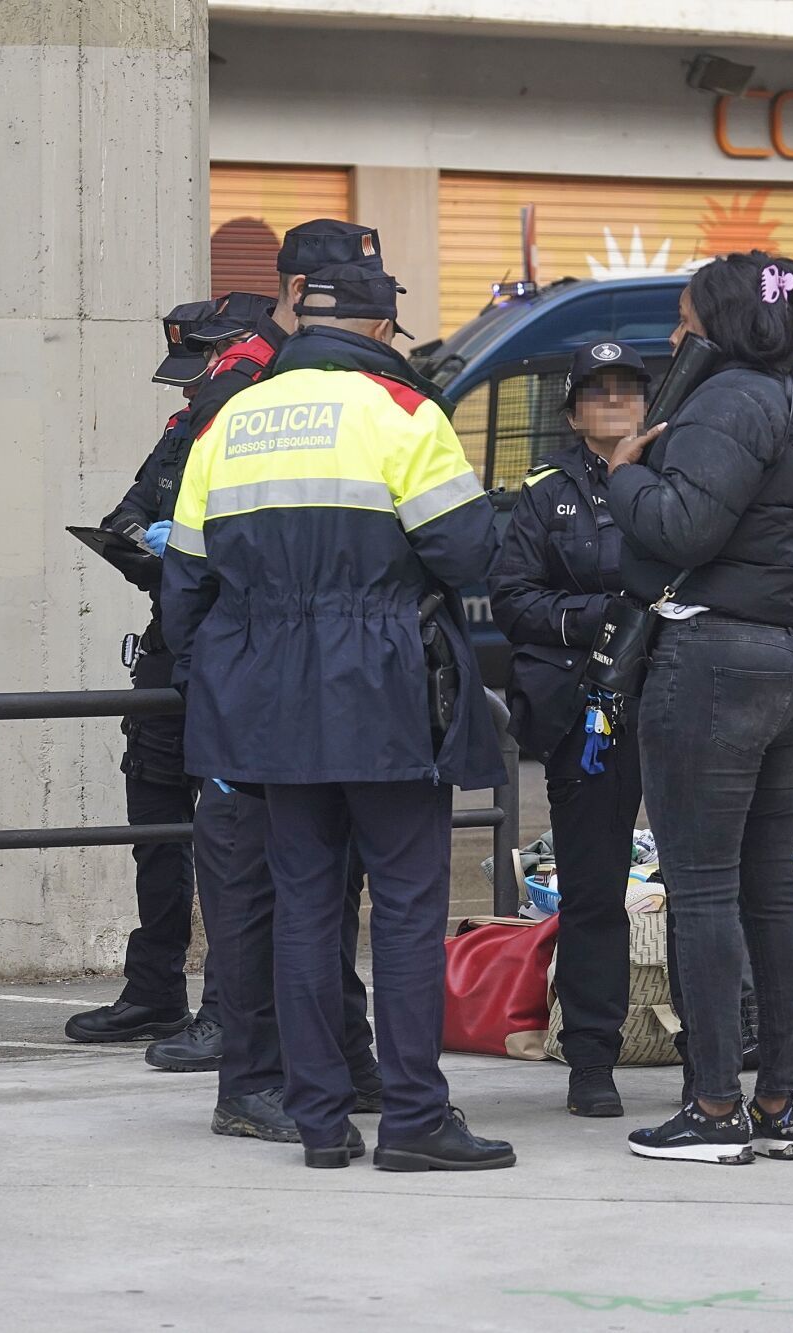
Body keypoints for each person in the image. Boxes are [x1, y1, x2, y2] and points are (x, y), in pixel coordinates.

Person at [163, 262, 515, 1172]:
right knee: (403, 909)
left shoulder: (229, 421)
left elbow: (185, 588)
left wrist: (228, 686)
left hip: (266, 705)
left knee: (304, 910)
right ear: (380, 327)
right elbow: (467, 550)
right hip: (385, 694)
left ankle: (319, 1121)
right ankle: (413, 1120)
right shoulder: (401, 413)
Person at [601, 252, 793, 1166]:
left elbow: (680, 527)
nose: (673, 333)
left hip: (714, 660)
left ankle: (711, 1106)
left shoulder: (725, 401)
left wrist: (624, 473)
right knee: (771, 884)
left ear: (721, 323)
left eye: (684, 316)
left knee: (701, 889)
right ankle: (779, 1102)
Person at [64, 298, 256, 1052]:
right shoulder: (188, 424)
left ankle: (227, 1006)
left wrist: (190, 547)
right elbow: (131, 507)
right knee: (157, 825)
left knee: (231, 841)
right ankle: (154, 990)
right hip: (171, 640)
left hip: (234, 647)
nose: (186, 392)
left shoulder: (248, 421)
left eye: (198, 372)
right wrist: (141, 542)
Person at [489, 340, 652, 1119]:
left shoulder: (682, 474)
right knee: (594, 890)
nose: (614, 400)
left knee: (709, 882)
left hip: (680, 697)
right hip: (589, 709)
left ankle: (735, 1033)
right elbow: (513, 599)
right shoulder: (545, 491)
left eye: (627, 387)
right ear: (572, 410)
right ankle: (593, 1055)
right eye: (598, 389)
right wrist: (604, 617)